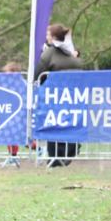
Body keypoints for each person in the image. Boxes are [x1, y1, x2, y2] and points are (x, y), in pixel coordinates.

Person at [34, 23, 83, 167]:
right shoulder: (71, 51)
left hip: (55, 95)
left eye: (48, 34)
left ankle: (56, 156)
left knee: (54, 124)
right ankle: (69, 151)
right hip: (73, 95)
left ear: (53, 37)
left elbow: (38, 73)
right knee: (70, 121)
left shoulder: (50, 53)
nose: (46, 37)